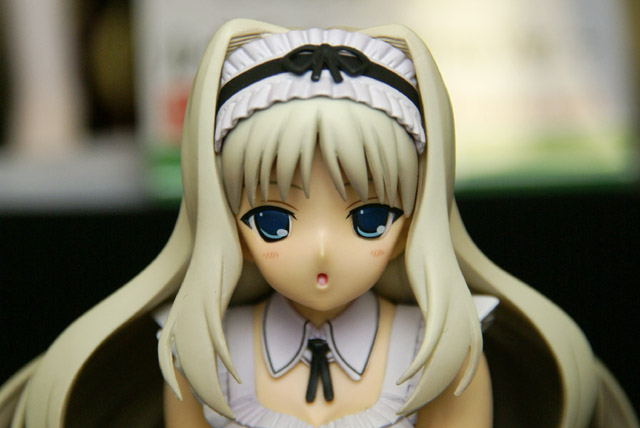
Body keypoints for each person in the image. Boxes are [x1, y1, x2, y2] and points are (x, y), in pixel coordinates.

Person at [0, 19, 637, 428]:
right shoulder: (204, 356)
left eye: (370, 218)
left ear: (415, 219)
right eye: (274, 221)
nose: (323, 250)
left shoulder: (440, 352)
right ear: (228, 220)